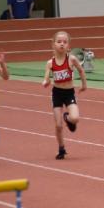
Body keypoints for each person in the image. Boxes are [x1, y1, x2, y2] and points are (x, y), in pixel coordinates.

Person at [42, 31, 87, 159]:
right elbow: (46, 78)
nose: (62, 44)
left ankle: (67, 117)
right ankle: (61, 148)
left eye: (65, 42)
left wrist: (84, 85)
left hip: (69, 93)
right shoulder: (50, 63)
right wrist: (46, 82)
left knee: (75, 118)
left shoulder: (71, 59)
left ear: (68, 46)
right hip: (57, 94)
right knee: (58, 125)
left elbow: (81, 70)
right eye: (59, 42)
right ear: (53, 44)